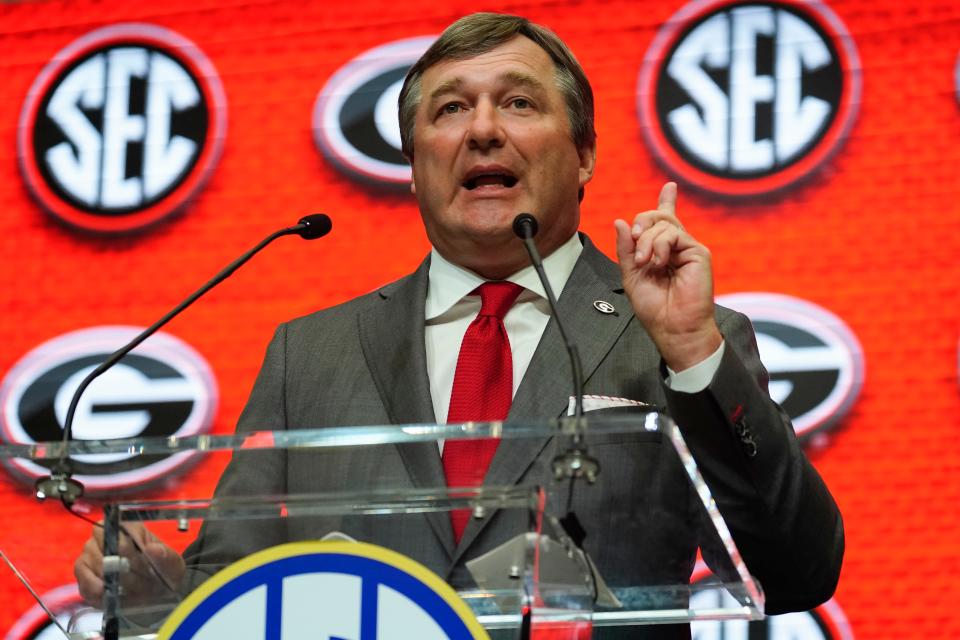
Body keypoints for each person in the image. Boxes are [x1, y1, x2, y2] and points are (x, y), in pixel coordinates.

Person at [74, 11, 843, 633]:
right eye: (450, 109)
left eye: (517, 102)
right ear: (415, 164)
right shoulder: (309, 354)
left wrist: (691, 353)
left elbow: (796, 573)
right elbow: (232, 587)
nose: (481, 131)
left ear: (582, 154)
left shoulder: (677, 336)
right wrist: (162, 591)